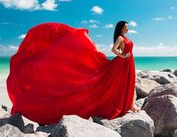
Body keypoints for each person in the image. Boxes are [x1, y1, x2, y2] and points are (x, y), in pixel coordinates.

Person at [7, 21, 140, 125]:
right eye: (126, 27)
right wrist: (123, 56)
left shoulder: (125, 38)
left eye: (128, 27)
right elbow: (113, 50)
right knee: (119, 83)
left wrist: (126, 57)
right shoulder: (120, 39)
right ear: (121, 27)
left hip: (128, 63)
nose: (128, 28)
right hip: (122, 63)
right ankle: (128, 105)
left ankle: (130, 105)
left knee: (128, 83)